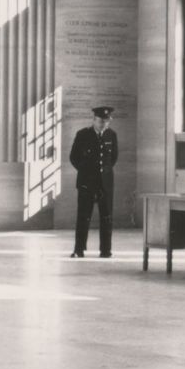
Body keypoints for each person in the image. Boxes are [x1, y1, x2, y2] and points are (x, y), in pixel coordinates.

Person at [69, 104, 118, 258]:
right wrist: (86, 172)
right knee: (84, 216)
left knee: (107, 217)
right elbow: (73, 157)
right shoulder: (83, 134)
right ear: (94, 120)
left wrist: (104, 174)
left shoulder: (111, 135)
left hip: (105, 183)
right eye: (101, 121)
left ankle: (105, 250)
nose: (104, 124)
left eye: (106, 121)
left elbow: (113, 158)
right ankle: (79, 249)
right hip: (87, 182)